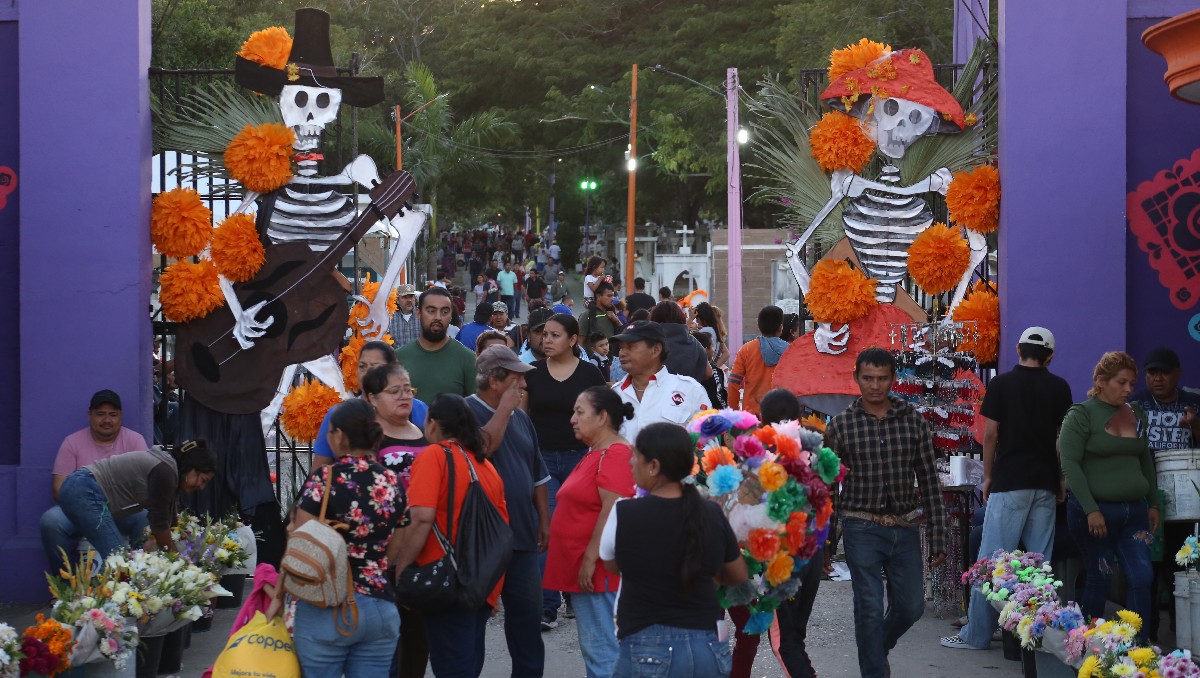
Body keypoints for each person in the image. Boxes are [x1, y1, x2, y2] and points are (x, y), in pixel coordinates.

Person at [941, 326, 1074, 650]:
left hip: (1009, 482)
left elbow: (990, 434)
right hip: (1043, 483)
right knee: (1037, 566)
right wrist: (1060, 479)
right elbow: (1061, 440)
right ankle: (1036, 638)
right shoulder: (1059, 388)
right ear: (1050, 356)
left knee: (991, 563)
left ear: (1018, 350)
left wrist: (987, 476)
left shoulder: (1000, 384)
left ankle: (976, 635)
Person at [824, 347, 946, 678]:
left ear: (893, 379)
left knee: (911, 607)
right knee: (868, 607)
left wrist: (938, 537)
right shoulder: (841, 426)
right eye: (868, 378)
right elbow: (827, 490)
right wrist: (824, 543)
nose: (875, 385)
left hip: (905, 526)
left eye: (882, 379)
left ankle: (879, 647)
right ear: (856, 378)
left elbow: (930, 482)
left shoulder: (913, 421)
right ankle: (875, 671)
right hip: (860, 526)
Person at [599, 423, 747, 678]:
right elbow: (738, 575)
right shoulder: (710, 512)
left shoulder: (624, 513)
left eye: (636, 457)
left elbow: (612, 565)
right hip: (707, 647)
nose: (631, 463)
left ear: (654, 466)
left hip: (646, 645)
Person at [280, 400, 406, 677]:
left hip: (327, 605)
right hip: (380, 606)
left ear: (340, 436)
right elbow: (398, 542)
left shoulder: (325, 480)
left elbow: (302, 541)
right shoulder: (392, 481)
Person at [392, 394, 510, 678]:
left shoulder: (435, 455)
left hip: (443, 582)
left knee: (451, 668)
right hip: (478, 585)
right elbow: (501, 536)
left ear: (432, 424)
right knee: (467, 665)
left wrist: (401, 569)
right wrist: (491, 594)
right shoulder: (486, 466)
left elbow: (421, 517)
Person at [1060, 351, 1158, 638]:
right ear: (1101, 381)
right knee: (1099, 576)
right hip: (1094, 512)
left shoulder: (1134, 414)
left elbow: (1144, 460)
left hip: (1134, 512)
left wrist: (1152, 502)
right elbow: (1070, 465)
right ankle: (1087, 646)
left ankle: (1139, 651)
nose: (1129, 389)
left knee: (1142, 578)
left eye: (1131, 383)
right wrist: (1091, 509)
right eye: (1122, 382)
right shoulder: (1081, 415)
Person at [467, 346, 550, 676]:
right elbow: (484, 446)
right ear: (493, 380)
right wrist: (504, 408)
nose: (523, 387)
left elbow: (537, 473)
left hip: (522, 536)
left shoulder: (522, 418)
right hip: (480, 540)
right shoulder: (465, 412)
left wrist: (543, 519)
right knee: (471, 624)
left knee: (527, 623)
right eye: (517, 379)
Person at [523, 313, 608, 629]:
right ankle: (547, 605)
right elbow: (522, 419)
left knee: (575, 529)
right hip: (542, 461)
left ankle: (573, 592)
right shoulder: (532, 373)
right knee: (546, 529)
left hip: (580, 460)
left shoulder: (590, 373)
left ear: (573, 340)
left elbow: (606, 415)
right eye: (544, 334)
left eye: (555, 335)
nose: (546, 340)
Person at [543, 386, 635, 678]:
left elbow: (613, 510)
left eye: (579, 412)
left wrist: (589, 559)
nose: (572, 418)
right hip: (589, 570)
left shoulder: (615, 453)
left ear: (602, 417)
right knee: (600, 650)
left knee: (603, 653)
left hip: (598, 573)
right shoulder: (596, 452)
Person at [1130, 347, 1200, 637]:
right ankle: (1147, 633)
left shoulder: (1193, 402)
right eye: (1151, 373)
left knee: (1180, 565)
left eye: (1163, 373)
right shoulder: (1136, 403)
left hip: (1185, 498)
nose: (1157, 379)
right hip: (1146, 495)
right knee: (1146, 567)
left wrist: (1194, 424)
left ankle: (1181, 631)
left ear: (1177, 374)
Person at [42, 389, 149, 574]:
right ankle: (66, 590)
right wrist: (89, 504)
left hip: (121, 510)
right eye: (100, 414)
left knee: (146, 517)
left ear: (120, 417)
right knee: (50, 522)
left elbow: (144, 485)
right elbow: (58, 489)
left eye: (113, 415)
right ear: (89, 415)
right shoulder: (72, 442)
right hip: (79, 511)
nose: (107, 420)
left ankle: (140, 580)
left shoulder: (134, 441)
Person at [58, 439, 217, 560]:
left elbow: (170, 522)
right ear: (191, 468)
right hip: (84, 489)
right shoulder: (165, 472)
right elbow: (159, 524)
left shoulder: (169, 471)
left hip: (84, 489)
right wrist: (178, 561)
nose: (201, 487)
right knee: (119, 560)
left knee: (121, 560)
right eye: (202, 480)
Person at [760, 389, 825, 678]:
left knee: (782, 640)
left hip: (781, 558)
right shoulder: (816, 452)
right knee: (794, 634)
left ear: (764, 424)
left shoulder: (763, 459)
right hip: (812, 550)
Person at [312, 340, 429, 469]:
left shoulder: (417, 409)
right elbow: (319, 470)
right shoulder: (339, 414)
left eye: (374, 367)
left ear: (393, 369)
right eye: (362, 366)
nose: (366, 373)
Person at [611, 320, 709, 442]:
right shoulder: (613, 395)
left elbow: (708, 446)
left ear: (656, 350)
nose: (622, 353)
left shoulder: (690, 390)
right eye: (621, 347)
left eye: (630, 347)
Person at [397, 287, 477, 399]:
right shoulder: (399, 358)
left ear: (451, 316)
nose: (438, 317)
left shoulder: (467, 359)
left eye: (444, 312)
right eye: (431, 311)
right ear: (418, 313)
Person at [728, 305, 788, 415]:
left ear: (758, 326)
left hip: (751, 415)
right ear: (780, 327)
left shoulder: (746, 349)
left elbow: (733, 383)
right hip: (781, 413)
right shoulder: (789, 351)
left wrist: (734, 413)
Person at [649, 301, 709, 383]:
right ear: (681, 317)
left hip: (657, 392)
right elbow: (708, 373)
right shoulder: (694, 343)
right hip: (688, 393)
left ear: (654, 318)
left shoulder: (649, 342)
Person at [691, 302, 730, 367]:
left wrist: (690, 319)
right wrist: (714, 368)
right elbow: (726, 354)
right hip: (710, 367)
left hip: (703, 368)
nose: (697, 321)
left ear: (702, 317)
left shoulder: (706, 331)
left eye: (697, 318)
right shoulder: (714, 330)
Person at [389, 284, 422, 348]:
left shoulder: (422, 316)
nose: (409, 300)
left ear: (415, 298)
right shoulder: (390, 318)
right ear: (397, 300)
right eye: (405, 297)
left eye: (411, 296)